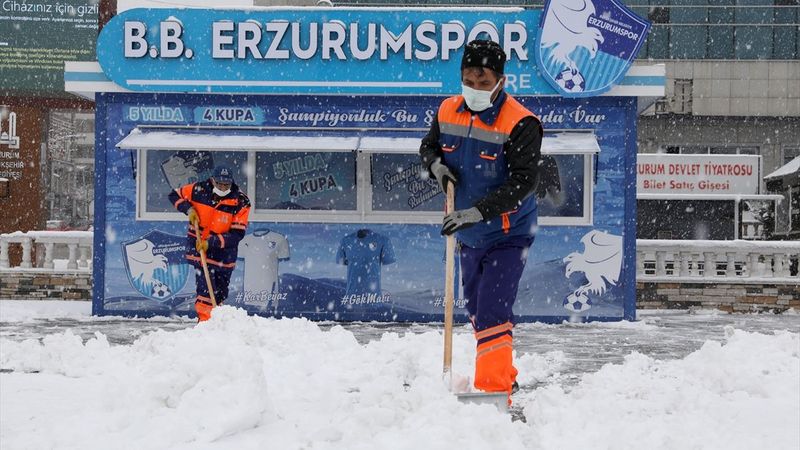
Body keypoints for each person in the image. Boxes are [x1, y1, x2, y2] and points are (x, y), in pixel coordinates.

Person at [419, 39, 543, 400]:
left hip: (509, 232)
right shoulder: (447, 110)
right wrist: (438, 167)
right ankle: (504, 370)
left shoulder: (520, 122)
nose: (474, 89)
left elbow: (524, 181)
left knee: (492, 311)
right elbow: (429, 147)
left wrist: (477, 212)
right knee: (476, 308)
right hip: (467, 233)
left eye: (483, 82)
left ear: (501, 81)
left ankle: (493, 392)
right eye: (468, 81)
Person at [168, 165, 251, 322]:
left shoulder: (241, 201)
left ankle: (217, 324)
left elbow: (236, 234)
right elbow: (174, 195)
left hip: (224, 254)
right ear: (213, 180)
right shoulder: (198, 189)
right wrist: (189, 209)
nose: (222, 187)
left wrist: (211, 242)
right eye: (219, 184)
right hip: (199, 249)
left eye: (226, 184)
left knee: (219, 293)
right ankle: (205, 325)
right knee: (206, 291)